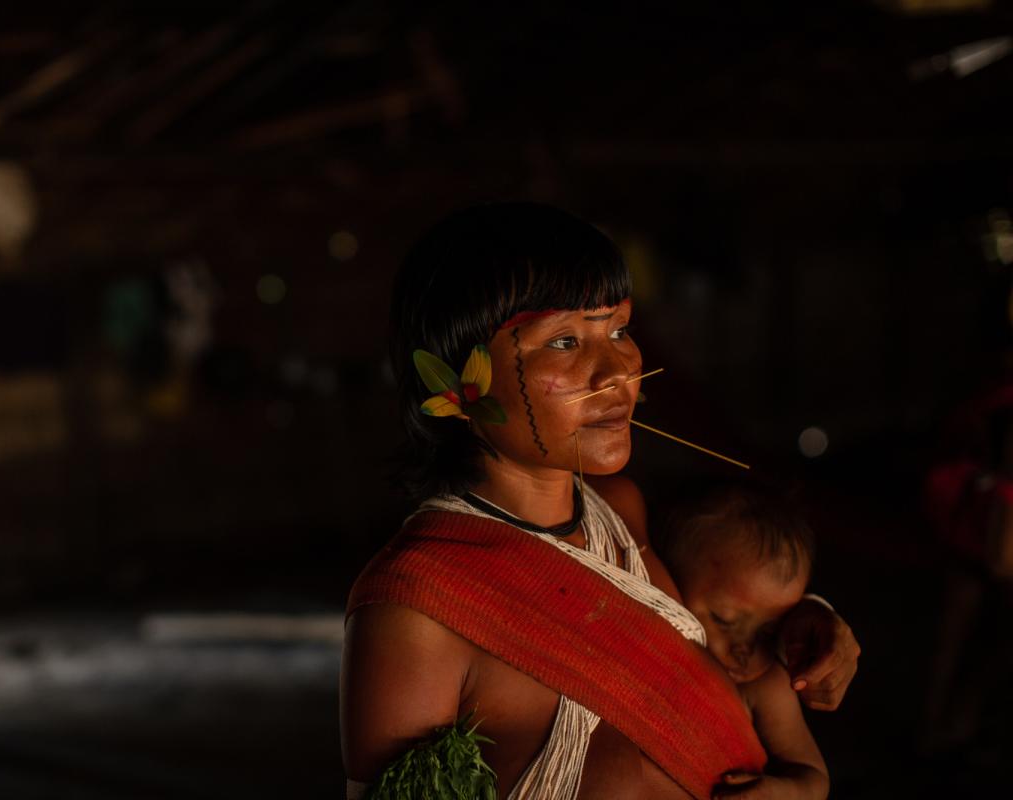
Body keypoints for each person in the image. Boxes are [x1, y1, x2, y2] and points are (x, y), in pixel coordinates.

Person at [340, 203, 860, 799]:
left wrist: (809, 622)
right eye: (563, 340)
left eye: (618, 331)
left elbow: (707, 616)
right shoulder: (417, 610)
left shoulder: (623, 515)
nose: (617, 373)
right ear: (454, 383)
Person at [657, 482, 829, 799]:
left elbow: (815, 780)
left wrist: (781, 792)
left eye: (768, 631)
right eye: (724, 619)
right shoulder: (653, 644)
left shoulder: (766, 687)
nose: (744, 648)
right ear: (666, 580)